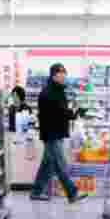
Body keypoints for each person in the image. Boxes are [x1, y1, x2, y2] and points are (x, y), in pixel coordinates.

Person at [30, 63, 88, 204]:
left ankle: (36, 192)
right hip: (52, 134)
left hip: (56, 132)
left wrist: (73, 113)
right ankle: (72, 193)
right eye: (60, 74)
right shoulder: (49, 92)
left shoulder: (57, 90)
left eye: (64, 74)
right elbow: (58, 112)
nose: (63, 77)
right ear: (54, 75)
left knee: (48, 164)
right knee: (60, 164)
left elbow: (61, 111)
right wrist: (73, 114)